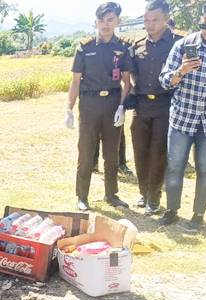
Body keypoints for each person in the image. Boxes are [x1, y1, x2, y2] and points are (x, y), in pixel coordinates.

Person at [158, 0, 206, 232]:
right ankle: (172, 210)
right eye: (204, 24)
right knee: (175, 166)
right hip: (182, 119)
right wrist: (182, 71)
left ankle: (198, 215)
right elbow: (165, 80)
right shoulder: (184, 45)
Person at [66, 2, 133, 212]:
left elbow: (126, 81)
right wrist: (69, 108)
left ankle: (111, 194)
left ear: (117, 21)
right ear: (96, 22)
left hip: (113, 103)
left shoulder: (123, 47)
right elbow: (75, 81)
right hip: (89, 104)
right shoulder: (84, 47)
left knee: (111, 153)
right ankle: (82, 196)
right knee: (86, 150)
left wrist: (122, 106)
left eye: (110, 19)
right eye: (102, 20)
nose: (106, 24)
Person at [128, 0, 183, 216]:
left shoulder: (178, 43)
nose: (150, 24)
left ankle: (154, 197)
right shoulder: (138, 45)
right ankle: (143, 192)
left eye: (155, 20)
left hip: (165, 104)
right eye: (147, 20)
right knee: (140, 150)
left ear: (166, 19)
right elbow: (132, 74)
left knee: (158, 152)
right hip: (141, 105)